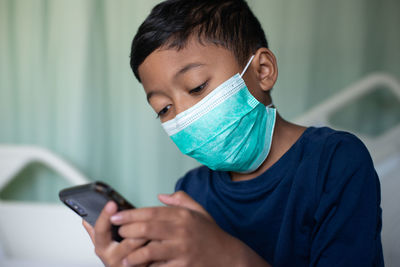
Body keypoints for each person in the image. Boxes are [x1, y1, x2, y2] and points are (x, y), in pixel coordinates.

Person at [82, 0, 384, 266]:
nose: (183, 116)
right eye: (164, 108)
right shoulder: (190, 192)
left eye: (197, 86)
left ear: (262, 70)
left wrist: (226, 256)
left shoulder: (335, 163)